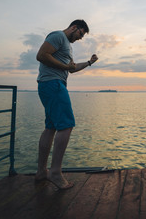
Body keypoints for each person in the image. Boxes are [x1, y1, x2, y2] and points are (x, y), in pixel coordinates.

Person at [35, 19, 98, 189]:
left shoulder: (67, 47)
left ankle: (42, 171)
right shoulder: (58, 36)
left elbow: (71, 68)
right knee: (66, 125)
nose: (80, 38)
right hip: (53, 84)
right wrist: (64, 66)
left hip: (49, 85)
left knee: (51, 127)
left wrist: (90, 62)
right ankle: (55, 173)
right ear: (74, 27)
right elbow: (41, 55)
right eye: (80, 34)